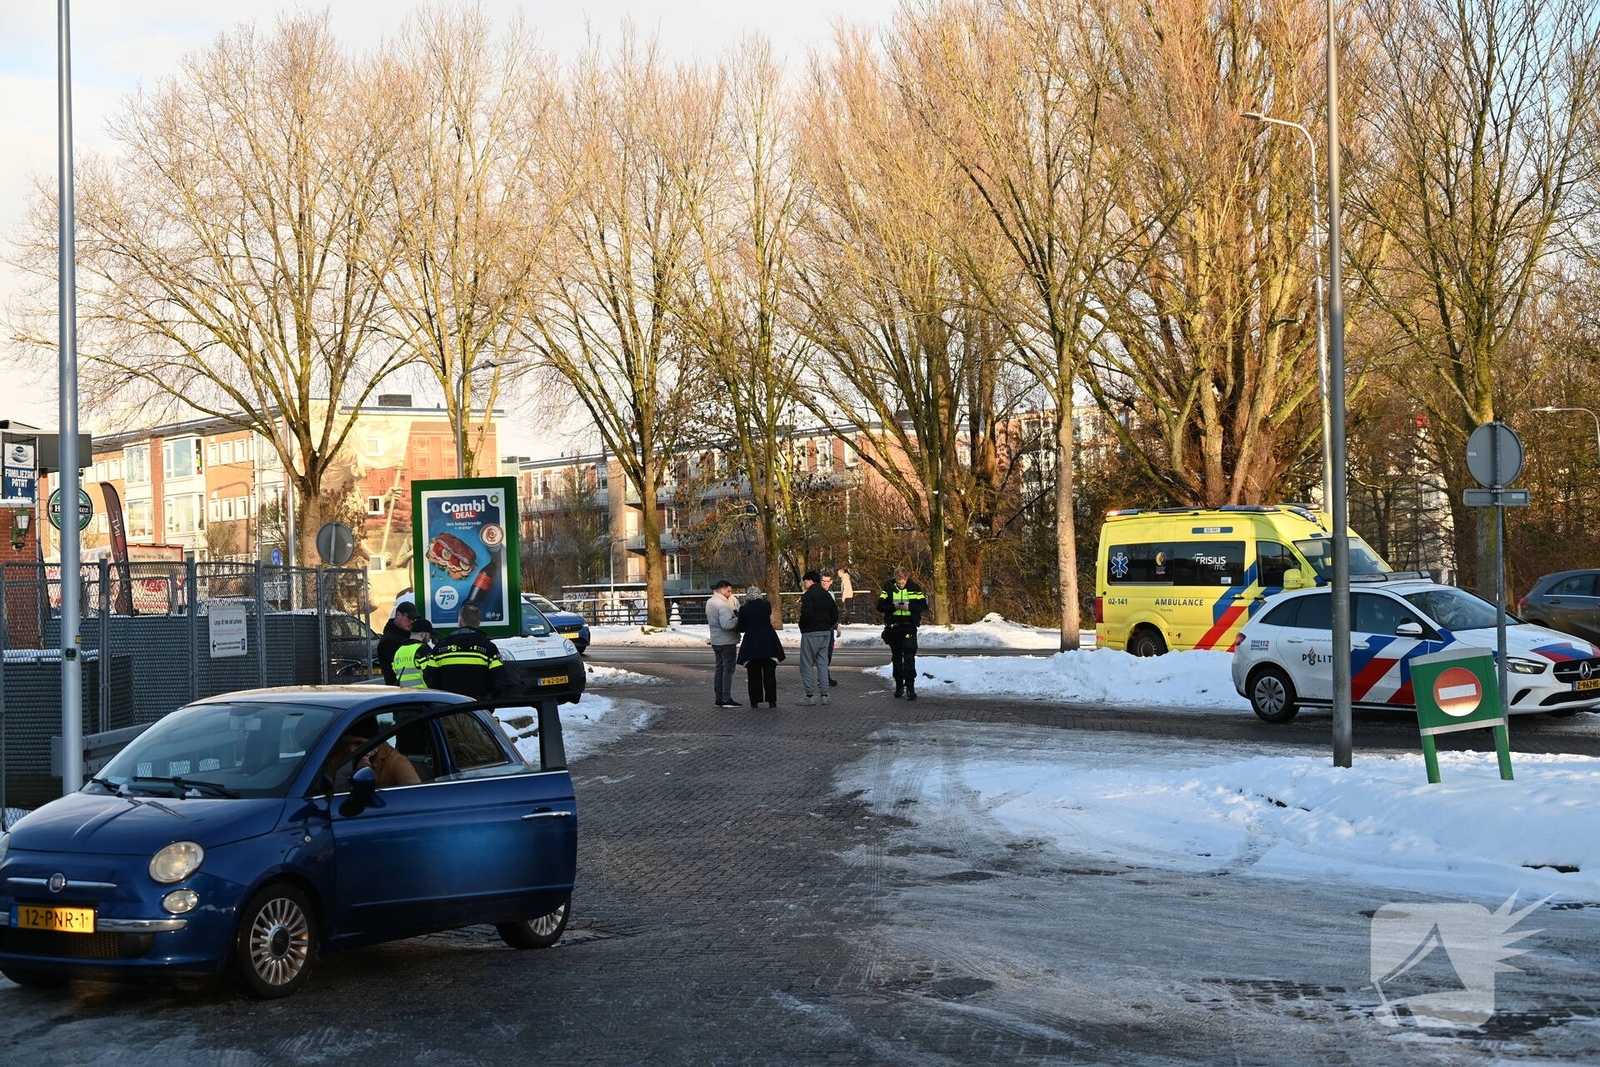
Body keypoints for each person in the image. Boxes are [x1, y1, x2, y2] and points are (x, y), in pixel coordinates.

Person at [423, 603, 504, 699]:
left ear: (460, 622)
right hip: (478, 709)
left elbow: (429, 678)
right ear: (478, 623)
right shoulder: (489, 648)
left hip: (448, 707)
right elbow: (500, 680)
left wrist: (443, 699)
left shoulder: (440, 648)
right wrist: (487, 700)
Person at [878, 567, 928, 699]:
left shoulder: (914, 588)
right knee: (896, 659)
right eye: (898, 582)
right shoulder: (888, 587)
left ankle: (910, 688)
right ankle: (899, 686)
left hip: (909, 626)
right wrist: (893, 607)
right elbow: (880, 606)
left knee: (909, 658)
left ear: (907, 578)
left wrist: (909, 607)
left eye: (903, 582)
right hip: (894, 627)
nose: (900, 584)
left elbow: (923, 606)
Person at [328, 724, 421, 791]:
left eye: (358, 744)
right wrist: (350, 773)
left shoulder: (395, 761)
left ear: (373, 743)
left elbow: (416, 795)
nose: (351, 750)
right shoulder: (339, 760)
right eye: (347, 744)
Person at [735, 586, 784, 708]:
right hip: (769, 642)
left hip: (752, 644)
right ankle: (772, 700)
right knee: (770, 674)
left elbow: (741, 627)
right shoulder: (766, 605)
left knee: (753, 674)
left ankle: (755, 701)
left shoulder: (744, 609)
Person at [797, 569, 840, 705]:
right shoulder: (827, 595)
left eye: (805, 582)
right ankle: (825, 694)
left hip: (811, 632)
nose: (804, 584)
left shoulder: (809, 595)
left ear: (810, 581)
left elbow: (806, 614)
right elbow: (835, 615)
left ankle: (809, 695)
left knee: (807, 663)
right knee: (822, 663)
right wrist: (828, 624)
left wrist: (802, 626)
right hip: (826, 632)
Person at [706, 579, 742, 707]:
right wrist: (738, 619)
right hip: (727, 640)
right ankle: (726, 698)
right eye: (728, 590)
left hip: (716, 640)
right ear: (722, 589)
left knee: (719, 669)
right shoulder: (723, 605)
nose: (730, 593)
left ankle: (719, 698)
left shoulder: (710, 602)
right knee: (728, 670)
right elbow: (726, 624)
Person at [376, 601, 419, 685]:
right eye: (409, 618)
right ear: (398, 615)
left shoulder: (405, 636)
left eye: (414, 619)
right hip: (398, 689)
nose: (412, 622)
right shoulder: (389, 640)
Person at [391, 617, 434, 688]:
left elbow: (394, 670)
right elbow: (431, 673)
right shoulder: (423, 649)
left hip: (403, 695)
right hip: (423, 694)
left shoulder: (399, 650)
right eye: (429, 636)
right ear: (422, 634)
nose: (429, 640)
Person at [820, 571, 840, 687]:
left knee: (828, 654)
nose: (824, 583)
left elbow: (833, 613)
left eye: (827, 581)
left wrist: (836, 625)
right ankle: (824, 678)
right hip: (824, 627)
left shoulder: (831, 594)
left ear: (831, 582)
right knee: (824, 653)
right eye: (823, 581)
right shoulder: (819, 594)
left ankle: (824, 677)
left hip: (830, 627)